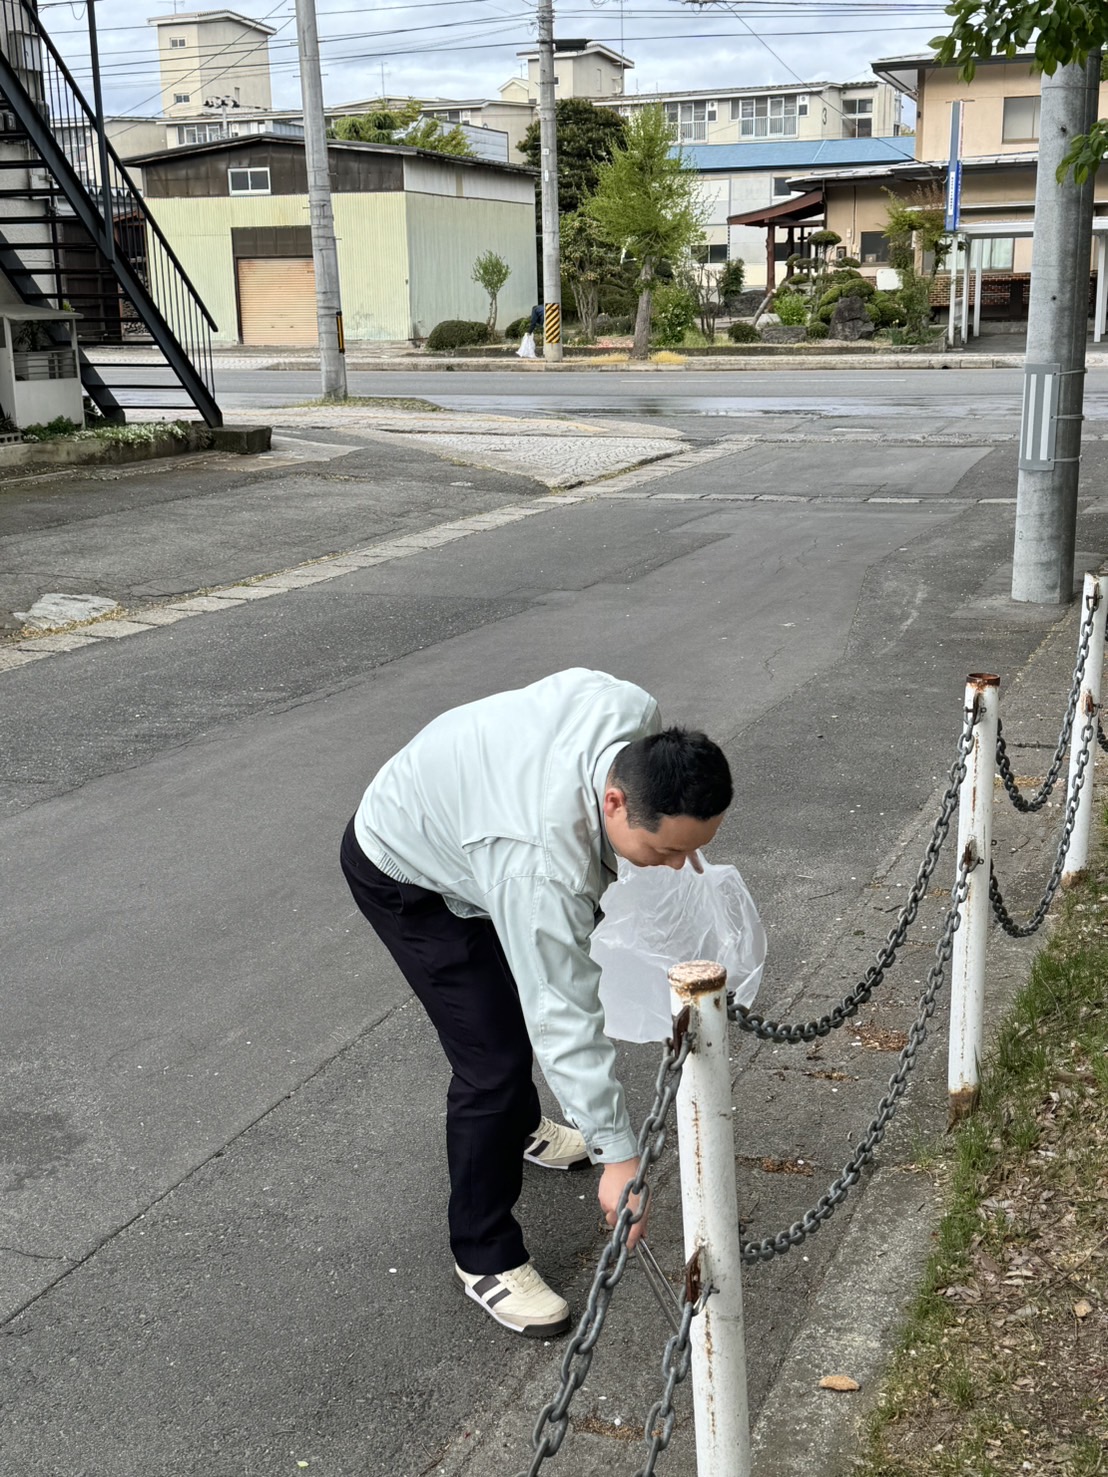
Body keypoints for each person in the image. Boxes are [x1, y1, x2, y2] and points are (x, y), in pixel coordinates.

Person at [340, 669, 732, 1338]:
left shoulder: (633, 713)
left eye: (695, 849)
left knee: (511, 1009)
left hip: (474, 818)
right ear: (615, 802)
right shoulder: (540, 865)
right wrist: (618, 1159)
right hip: (406, 866)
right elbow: (564, 1013)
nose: (677, 866)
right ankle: (483, 1254)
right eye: (666, 850)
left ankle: (524, 1130)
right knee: (492, 1057)